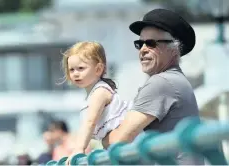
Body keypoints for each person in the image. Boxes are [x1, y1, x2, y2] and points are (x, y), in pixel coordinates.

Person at [102, 9, 205, 165]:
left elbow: (118, 140)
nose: (143, 49)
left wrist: (96, 130)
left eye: (151, 43)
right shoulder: (176, 80)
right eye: (140, 43)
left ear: (174, 48)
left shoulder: (161, 82)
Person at [60, 41, 133, 165]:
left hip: (127, 145)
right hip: (117, 147)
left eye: (81, 68)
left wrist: (79, 149)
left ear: (98, 69)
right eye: (71, 69)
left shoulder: (100, 92)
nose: (75, 73)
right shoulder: (92, 94)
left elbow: (90, 122)